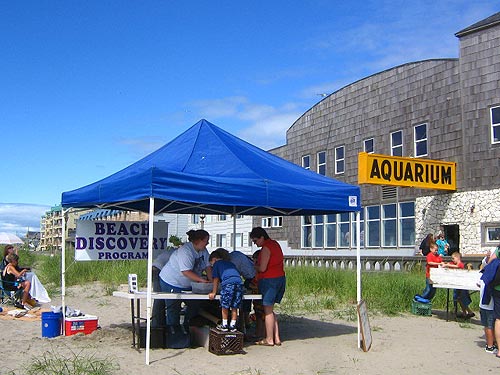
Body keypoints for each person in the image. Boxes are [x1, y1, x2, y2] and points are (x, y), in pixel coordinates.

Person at [159, 230, 212, 327]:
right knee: (173, 309)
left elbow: (207, 266)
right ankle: (173, 332)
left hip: (189, 284)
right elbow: (186, 271)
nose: (207, 244)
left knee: (195, 306)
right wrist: (202, 280)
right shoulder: (185, 251)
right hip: (171, 282)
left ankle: (188, 327)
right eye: (206, 241)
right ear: (198, 241)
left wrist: (211, 281)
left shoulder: (203, 251)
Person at [250, 227, 286, 347]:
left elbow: (262, 268)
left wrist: (254, 266)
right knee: (271, 310)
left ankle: (269, 339)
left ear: (261, 237)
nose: (255, 244)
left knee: (267, 311)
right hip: (280, 278)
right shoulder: (275, 244)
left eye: (255, 241)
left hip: (269, 280)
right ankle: (276, 337)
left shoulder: (266, 248)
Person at [208, 250, 244, 332]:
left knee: (225, 304)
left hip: (228, 284)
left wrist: (214, 292)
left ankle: (224, 324)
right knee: (235, 305)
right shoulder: (230, 264)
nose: (212, 265)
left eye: (211, 263)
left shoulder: (217, 264)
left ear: (214, 259)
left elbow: (216, 279)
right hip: (239, 283)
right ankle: (233, 325)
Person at [443, 252, 475, 318]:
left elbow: (458, 266)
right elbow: (451, 264)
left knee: (462, 299)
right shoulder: (453, 264)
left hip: (462, 285)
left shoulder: (461, 264)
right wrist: (446, 264)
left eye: (453, 258)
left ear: (458, 258)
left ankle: (468, 312)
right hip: (457, 284)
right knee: (458, 299)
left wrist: (448, 265)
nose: (452, 260)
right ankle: (465, 313)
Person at [151, 247, 177, 327]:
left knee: (161, 298)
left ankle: (160, 322)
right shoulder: (178, 254)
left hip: (158, 268)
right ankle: (156, 324)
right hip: (157, 269)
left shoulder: (175, 252)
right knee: (159, 297)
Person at [479, 252, 497, 353]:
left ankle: (490, 343)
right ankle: (490, 345)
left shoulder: (482, 276)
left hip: (482, 305)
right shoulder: (491, 278)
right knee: (490, 326)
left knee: (487, 326)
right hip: (489, 305)